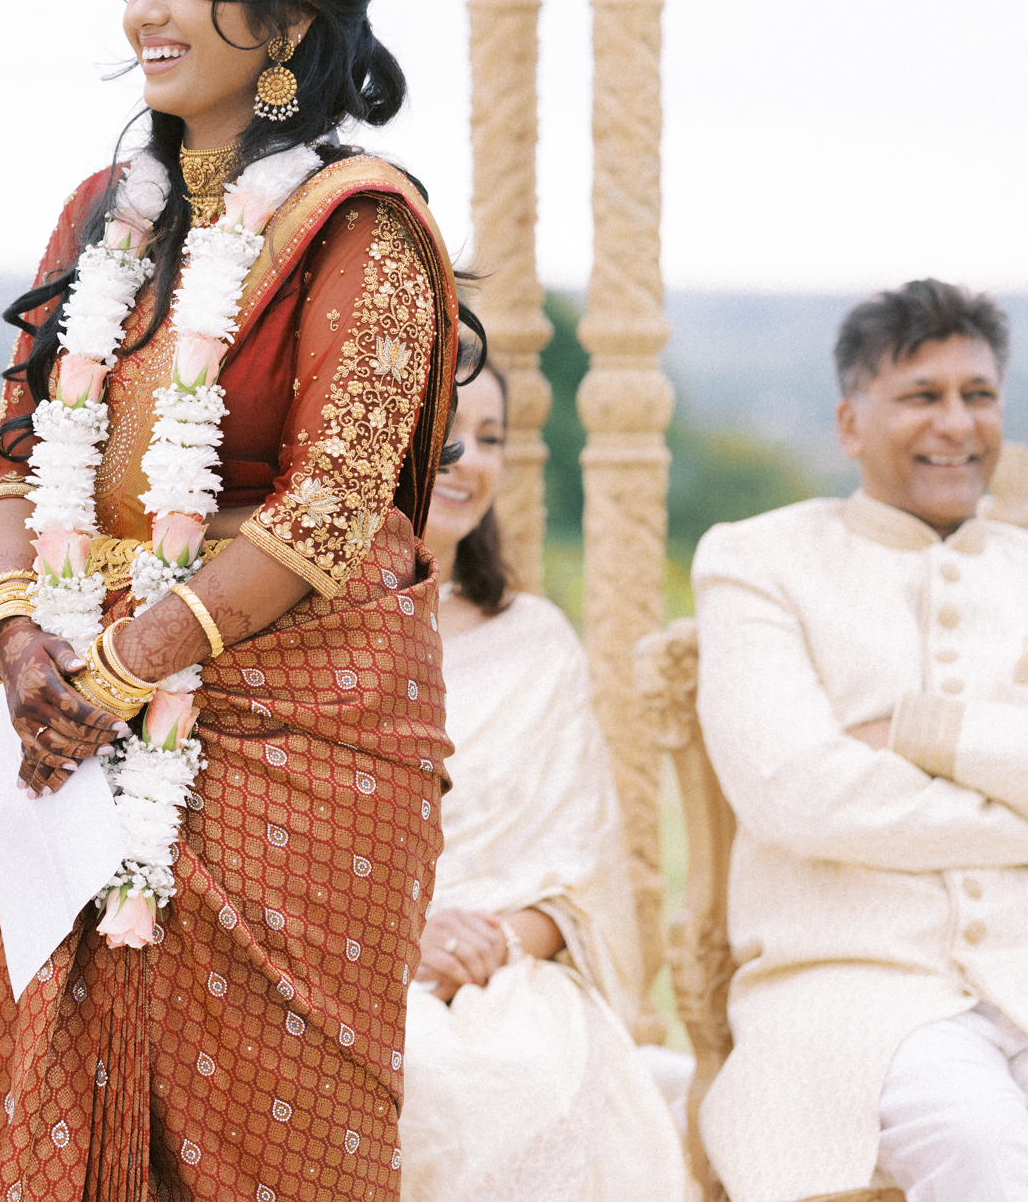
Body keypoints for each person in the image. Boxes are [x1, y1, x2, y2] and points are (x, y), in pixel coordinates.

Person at [0, 0, 460, 1202]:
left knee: (275, 1145)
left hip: (294, 743)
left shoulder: (360, 225)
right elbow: (16, 447)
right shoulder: (101, 213)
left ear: (291, 19)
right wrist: (19, 642)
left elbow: (329, 504)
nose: (146, 13)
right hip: (76, 721)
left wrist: (127, 665)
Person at [694, 279, 1027, 1201]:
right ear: (849, 423)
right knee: (983, 1143)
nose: (956, 424)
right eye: (921, 395)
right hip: (853, 991)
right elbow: (794, 790)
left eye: (978, 395)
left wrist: (928, 730)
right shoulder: (758, 560)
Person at [396, 363, 690, 1199]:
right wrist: (398, 943)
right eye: (447, 434)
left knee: (520, 1083)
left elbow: (578, 876)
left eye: (491, 439)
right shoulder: (296, 636)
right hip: (333, 967)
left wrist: (474, 945)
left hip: (506, 980)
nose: (469, 460)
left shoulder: (533, 640)